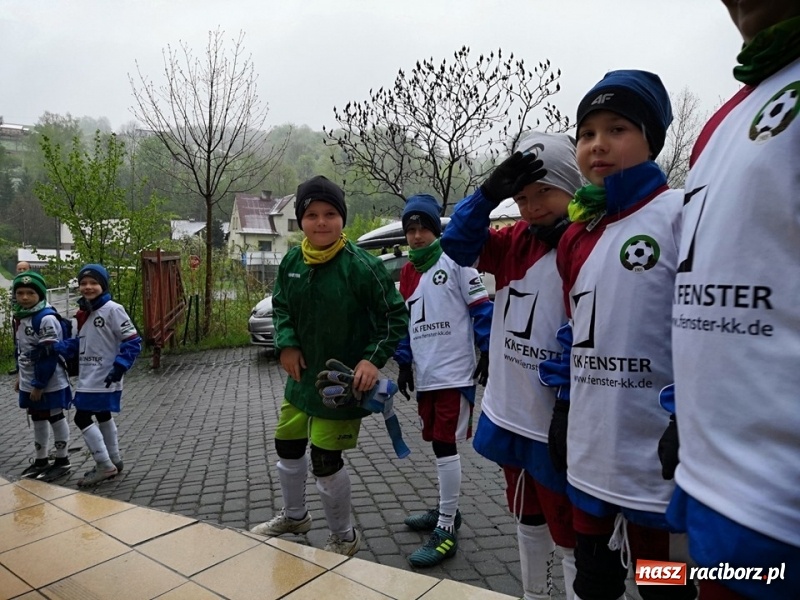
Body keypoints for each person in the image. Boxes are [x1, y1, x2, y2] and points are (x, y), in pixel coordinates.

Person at [539, 70, 696, 600]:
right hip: (590, 455)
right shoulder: (576, 236)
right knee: (594, 584)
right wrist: (564, 405)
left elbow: (705, 334)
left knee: (663, 585)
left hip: (656, 460)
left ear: (651, 139)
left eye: (617, 129)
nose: (598, 144)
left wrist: (689, 415)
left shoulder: (680, 214)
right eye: (586, 133)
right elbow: (574, 330)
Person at [664, 3, 800, 598]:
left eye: (616, 130)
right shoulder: (725, 120)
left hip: (781, 530)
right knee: (635, 570)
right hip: (710, 497)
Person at [442, 131, 582, 599]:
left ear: (573, 185)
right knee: (527, 518)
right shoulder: (516, 239)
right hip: (511, 415)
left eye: (544, 192)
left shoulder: (588, 243)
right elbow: (457, 245)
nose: (532, 206)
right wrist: (486, 195)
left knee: (572, 536)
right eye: (521, 198)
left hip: (557, 423)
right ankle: (534, 593)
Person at [249, 175, 408, 556]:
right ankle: (295, 516)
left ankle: (344, 537)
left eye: (330, 214)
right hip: (300, 381)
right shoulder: (292, 261)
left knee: (324, 460)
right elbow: (281, 306)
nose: (321, 222)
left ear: (342, 218)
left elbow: (393, 316)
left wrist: (372, 360)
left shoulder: (362, 267)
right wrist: (286, 344)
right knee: (286, 445)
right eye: (312, 215)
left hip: (340, 386)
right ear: (301, 220)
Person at [393, 193, 493, 567]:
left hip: (454, 373)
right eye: (411, 229)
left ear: (436, 230)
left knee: (445, 444)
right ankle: (445, 508)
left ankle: (447, 527)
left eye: (424, 228)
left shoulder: (457, 260)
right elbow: (406, 321)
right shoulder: (407, 271)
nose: (417, 236)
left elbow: (482, 308)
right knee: (436, 444)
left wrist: (488, 350)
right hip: (427, 375)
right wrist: (404, 363)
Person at [56, 264, 142, 487]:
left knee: (81, 418)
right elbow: (82, 342)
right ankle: (114, 459)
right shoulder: (83, 313)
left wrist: (120, 366)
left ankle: (104, 465)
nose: (88, 287)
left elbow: (133, 341)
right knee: (103, 415)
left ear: (103, 285)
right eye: (83, 283)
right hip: (88, 374)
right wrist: (57, 347)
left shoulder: (113, 309)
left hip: (103, 375)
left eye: (93, 283)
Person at [12, 270, 73, 481]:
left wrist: (39, 384)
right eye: (20, 293)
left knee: (55, 416)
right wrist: (20, 375)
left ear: (40, 294)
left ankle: (62, 460)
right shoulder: (21, 316)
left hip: (49, 380)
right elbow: (21, 348)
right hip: (29, 378)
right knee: (37, 417)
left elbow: (49, 354)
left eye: (30, 293)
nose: (25, 297)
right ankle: (41, 460)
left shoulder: (46, 318)